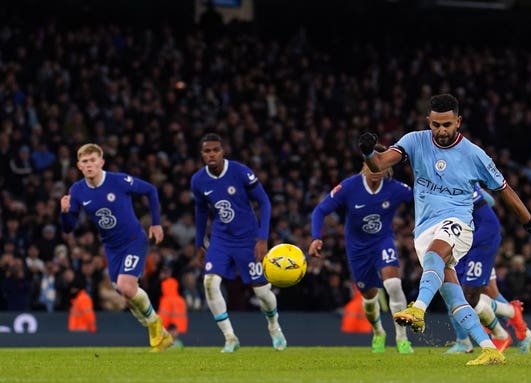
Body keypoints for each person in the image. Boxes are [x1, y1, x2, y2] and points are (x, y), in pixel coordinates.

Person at [358, 93, 531, 366]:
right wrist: (369, 152)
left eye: (447, 125)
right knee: (455, 297)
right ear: (429, 121)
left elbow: (503, 188)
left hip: (458, 223)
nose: (441, 131)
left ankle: (418, 308)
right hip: (424, 228)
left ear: (458, 122)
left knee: (434, 257)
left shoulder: (474, 155)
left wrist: (528, 221)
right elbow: (379, 164)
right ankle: (489, 350)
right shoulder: (414, 141)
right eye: (436, 124)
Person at [60, 143, 172, 352]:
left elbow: (150, 190)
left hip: (133, 240)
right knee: (127, 296)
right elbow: (69, 228)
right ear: (79, 166)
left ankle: (155, 325)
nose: (90, 164)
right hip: (111, 248)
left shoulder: (118, 181)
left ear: (101, 162)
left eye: (93, 160)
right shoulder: (77, 190)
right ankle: (163, 335)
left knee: (126, 287)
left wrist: (156, 223)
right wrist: (65, 212)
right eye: (85, 161)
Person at [309, 146, 414, 354]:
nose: (375, 168)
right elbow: (320, 210)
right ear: (364, 165)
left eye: (380, 163)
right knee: (369, 297)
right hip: (357, 249)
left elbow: (422, 200)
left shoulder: (396, 188)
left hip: (383, 241)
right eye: (371, 163)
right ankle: (378, 332)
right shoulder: (349, 187)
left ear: (386, 167)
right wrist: (316, 238)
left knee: (393, 284)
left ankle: (402, 339)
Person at [191, 133, 286, 353]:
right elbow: (201, 210)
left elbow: (264, 202)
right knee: (210, 282)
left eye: (215, 150)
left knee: (262, 292)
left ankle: (274, 326)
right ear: (202, 154)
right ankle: (230, 337)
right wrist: (199, 243)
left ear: (223, 151)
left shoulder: (241, 172)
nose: (211, 154)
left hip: (248, 240)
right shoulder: (198, 180)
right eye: (207, 151)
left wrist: (262, 238)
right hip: (220, 239)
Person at [445, 183, 531, 354]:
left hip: (475, 240)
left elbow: (487, 201)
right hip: (470, 239)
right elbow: (490, 201)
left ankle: (467, 341)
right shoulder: (451, 176)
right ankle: (524, 332)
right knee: (487, 291)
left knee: (463, 292)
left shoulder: (453, 177)